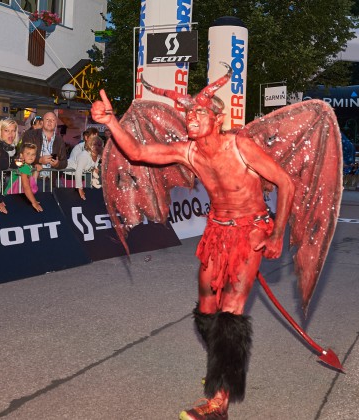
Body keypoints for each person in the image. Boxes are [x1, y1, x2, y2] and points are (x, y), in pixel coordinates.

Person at [91, 75, 295, 419]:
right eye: (188, 115)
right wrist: (111, 121)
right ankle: (222, 365)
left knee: (230, 311)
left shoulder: (240, 146)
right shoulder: (188, 151)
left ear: (217, 119)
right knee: (206, 308)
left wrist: (276, 235)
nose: (192, 118)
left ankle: (219, 401)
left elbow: (285, 183)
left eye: (200, 113)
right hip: (216, 231)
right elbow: (139, 152)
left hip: (250, 232)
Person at [21, 111, 68, 191]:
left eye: (52, 120)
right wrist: (39, 160)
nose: (50, 122)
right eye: (47, 119)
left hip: (51, 181)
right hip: (33, 178)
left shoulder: (59, 140)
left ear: (56, 123)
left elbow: (64, 162)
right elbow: (22, 155)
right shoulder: (30, 135)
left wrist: (57, 164)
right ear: (42, 122)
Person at [4, 143, 43, 212]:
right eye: (28, 153)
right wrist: (34, 202)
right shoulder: (23, 166)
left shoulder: (29, 166)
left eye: (33, 154)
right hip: (12, 195)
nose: (31, 156)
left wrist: (36, 170)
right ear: (21, 155)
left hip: (18, 196)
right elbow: (26, 186)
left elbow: (32, 181)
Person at [67, 127, 104, 199]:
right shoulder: (80, 150)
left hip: (83, 178)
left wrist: (95, 168)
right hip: (70, 176)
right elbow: (79, 169)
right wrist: (80, 188)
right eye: (93, 137)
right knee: (72, 198)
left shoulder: (97, 152)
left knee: (82, 199)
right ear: (86, 138)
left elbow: (92, 164)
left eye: (96, 137)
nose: (95, 140)